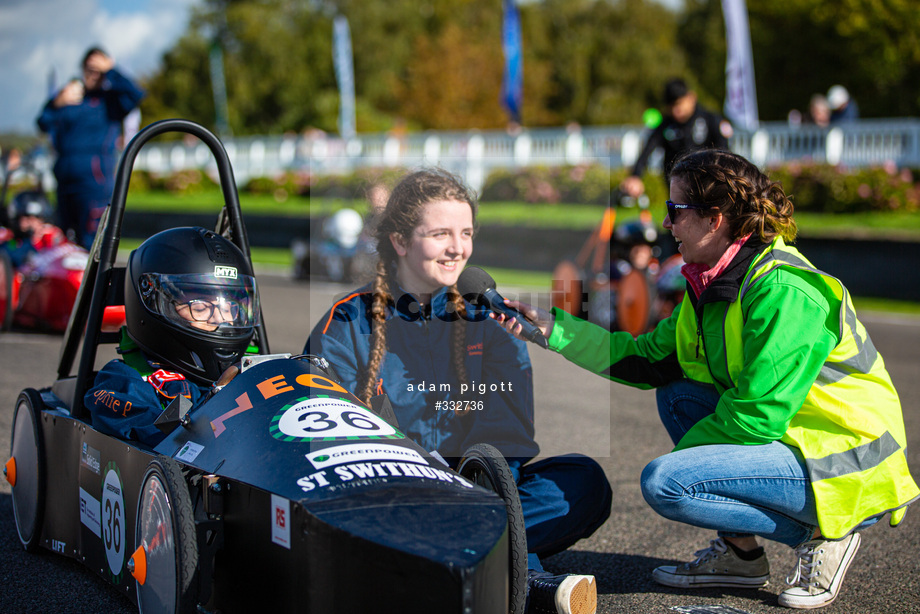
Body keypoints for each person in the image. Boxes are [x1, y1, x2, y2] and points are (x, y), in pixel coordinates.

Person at [494, 149, 919, 610]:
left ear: (714, 219)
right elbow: (644, 360)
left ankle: (829, 533)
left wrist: (688, 463)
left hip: (849, 460)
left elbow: (757, 417)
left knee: (667, 482)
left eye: (676, 211)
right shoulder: (710, 285)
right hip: (800, 442)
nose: (667, 224)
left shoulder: (785, 291)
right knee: (677, 395)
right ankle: (742, 555)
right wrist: (554, 329)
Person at [306, 168, 612, 614]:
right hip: (383, 494)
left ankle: (439, 555)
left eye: (466, 232)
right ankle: (524, 580)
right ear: (400, 241)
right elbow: (321, 435)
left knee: (584, 485)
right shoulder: (347, 321)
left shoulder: (490, 319)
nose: (458, 248)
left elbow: (507, 441)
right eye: (441, 233)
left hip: (474, 491)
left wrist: (470, 492)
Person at [85, 227, 259, 447]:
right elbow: (159, 435)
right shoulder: (125, 380)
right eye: (201, 306)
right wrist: (212, 407)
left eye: (230, 307)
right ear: (156, 305)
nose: (220, 319)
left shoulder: (253, 372)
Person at [36, 46, 145, 249]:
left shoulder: (110, 101)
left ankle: (94, 282)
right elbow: (43, 123)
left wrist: (111, 69)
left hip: (94, 184)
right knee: (64, 243)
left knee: (93, 244)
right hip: (65, 183)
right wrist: (56, 103)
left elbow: (136, 94)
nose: (93, 74)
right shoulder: (69, 98)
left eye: (98, 69)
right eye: (89, 68)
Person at [621, 78, 732, 199]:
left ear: (691, 97)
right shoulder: (665, 125)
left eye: (678, 104)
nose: (675, 111)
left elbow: (724, 153)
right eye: (671, 107)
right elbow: (648, 149)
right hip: (677, 191)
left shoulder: (711, 120)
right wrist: (635, 176)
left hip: (707, 188)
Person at [1, 189, 66, 268]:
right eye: (24, 218)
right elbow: (12, 256)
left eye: (32, 219)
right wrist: (33, 243)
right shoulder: (12, 243)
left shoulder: (52, 238)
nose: (26, 223)